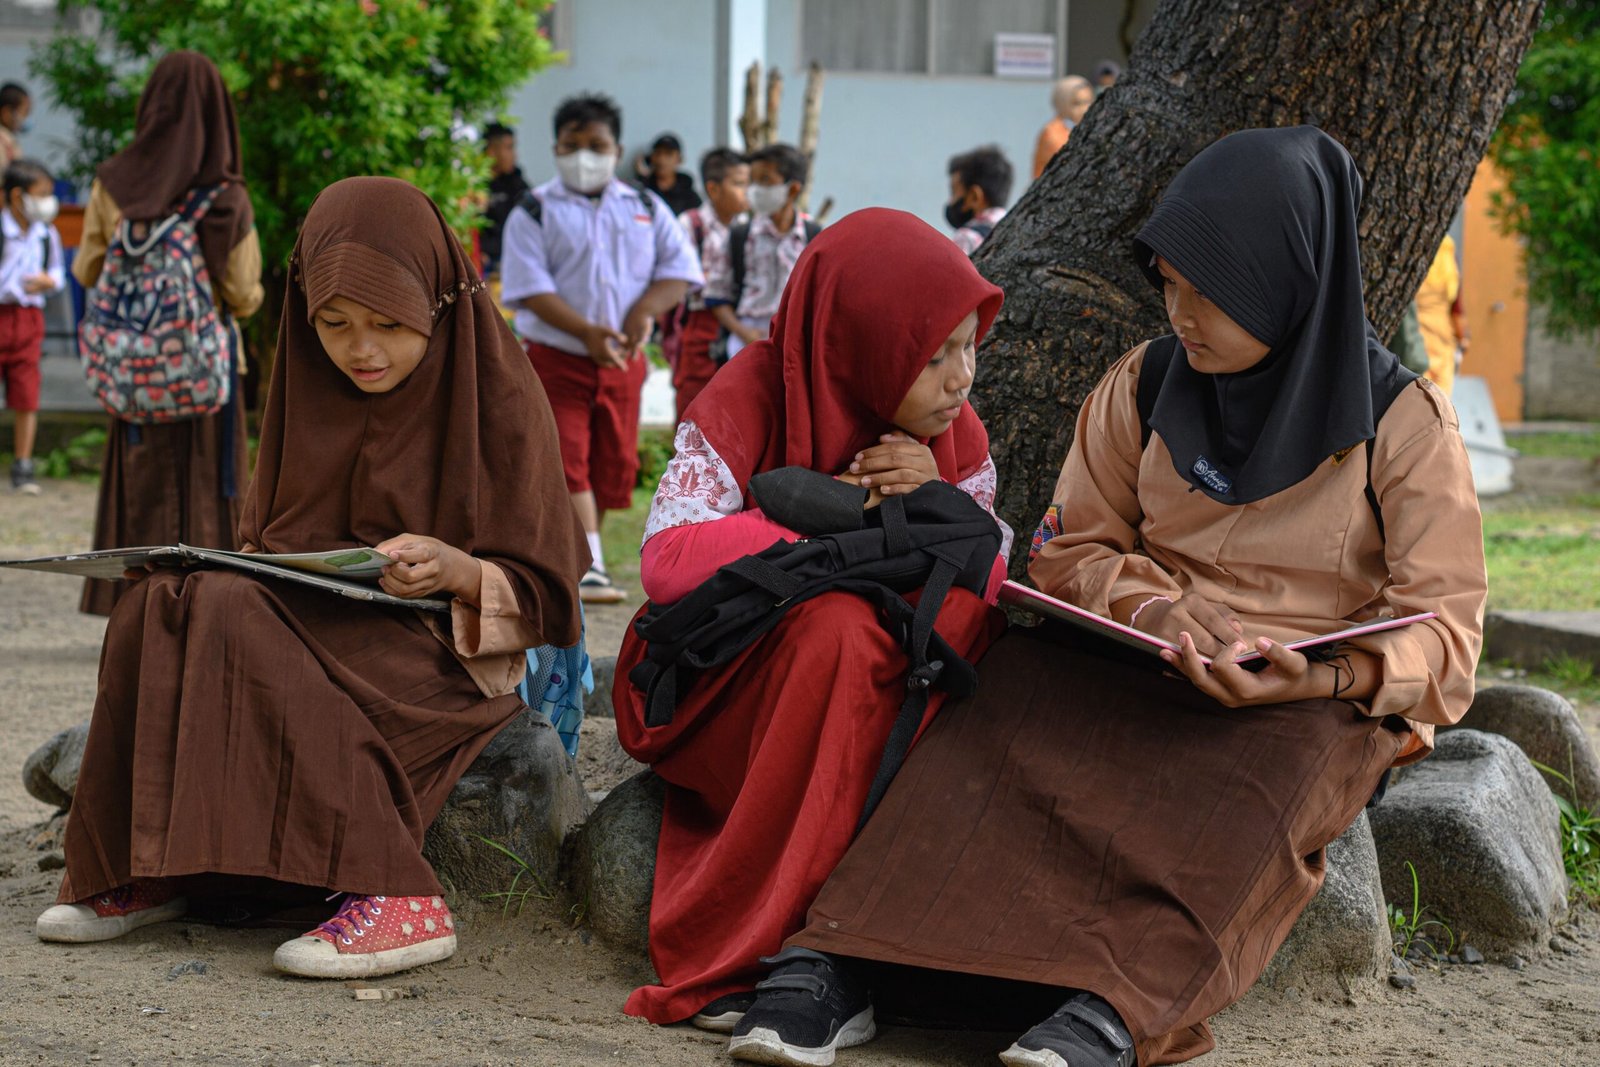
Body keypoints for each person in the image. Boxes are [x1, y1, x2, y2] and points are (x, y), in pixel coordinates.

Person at [785, 127, 1487, 1067]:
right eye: (1169, 284)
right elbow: (1068, 546)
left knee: (1258, 787)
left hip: (1300, 701)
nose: (1180, 314)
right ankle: (841, 960)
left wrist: (1318, 675)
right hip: (1135, 654)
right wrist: (1153, 606)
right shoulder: (1147, 383)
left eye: (1210, 294)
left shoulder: (1402, 422)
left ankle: (1109, 1011)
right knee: (1000, 696)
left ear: (1287, 282)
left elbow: (1447, 634)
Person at [35, 176, 590, 981]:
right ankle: (154, 867)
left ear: (438, 302)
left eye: (389, 325)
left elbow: (552, 595)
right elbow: (264, 544)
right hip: (309, 625)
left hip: (438, 657)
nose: (362, 350)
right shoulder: (307, 389)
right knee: (159, 601)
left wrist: (460, 567)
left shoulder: (496, 392)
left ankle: (401, 893)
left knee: (232, 611)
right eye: (334, 323)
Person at [613, 208, 1015, 1064]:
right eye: (933, 355)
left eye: (969, 346)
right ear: (861, 342)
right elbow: (667, 561)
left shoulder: (951, 435)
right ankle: (780, 943)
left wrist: (932, 498)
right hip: (737, 687)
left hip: (882, 701)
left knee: (950, 626)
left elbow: (986, 572)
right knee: (837, 630)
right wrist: (839, 516)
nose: (961, 378)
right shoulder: (753, 392)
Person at [73, 51, 265, 617]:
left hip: (135, 371)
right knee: (209, 494)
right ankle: (206, 612)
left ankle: (134, 612)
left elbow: (87, 270)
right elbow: (243, 292)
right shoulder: (225, 196)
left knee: (140, 488)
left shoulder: (114, 186)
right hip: (205, 377)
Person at [500, 93, 702, 605]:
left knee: (614, 465)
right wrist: (586, 332)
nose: (584, 156)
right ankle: (588, 566)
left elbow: (679, 271)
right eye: (572, 145)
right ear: (555, 148)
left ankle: (580, 552)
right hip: (557, 359)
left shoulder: (644, 206)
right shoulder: (534, 210)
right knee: (567, 457)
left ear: (617, 149)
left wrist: (642, 312)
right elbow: (529, 287)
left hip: (622, 361)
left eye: (596, 145)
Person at [708, 142, 817, 360]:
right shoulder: (740, 236)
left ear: (793, 189)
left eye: (765, 180)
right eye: (753, 181)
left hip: (797, 344)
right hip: (746, 341)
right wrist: (743, 332)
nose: (755, 189)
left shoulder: (813, 237)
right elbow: (716, 295)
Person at [669, 147, 749, 423]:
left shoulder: (749, 227)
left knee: (737, 406)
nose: (747, 192)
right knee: (695, 404)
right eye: (739, 184)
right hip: (701, 324)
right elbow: (681, 279)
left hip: (741, 323)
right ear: (713, 189)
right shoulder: (690, 224)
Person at [0, 159, 64, 494]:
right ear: (17, 196)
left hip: (28, 320)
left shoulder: (46, 234)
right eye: (41, 194)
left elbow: (58, 273)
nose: (47, 202)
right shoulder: (3, 231)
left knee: (26, 394)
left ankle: (23, 466)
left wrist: (47, 281)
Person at [1414, 234, 1468, 395]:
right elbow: (1457, 308)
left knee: (1414, 396)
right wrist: (1463, 338)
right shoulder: (1448, 253)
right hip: (1442, 340)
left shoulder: (1411, 252)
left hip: (1415, 338)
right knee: (1440, 401)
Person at [480, 121, 529, 278]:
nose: (514, 155)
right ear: (491, 151)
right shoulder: (472, 186)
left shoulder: (518, 185)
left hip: (511, 262)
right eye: (509, 148)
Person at [946, 145, 1013, 255]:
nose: (950, 201)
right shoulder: (1016, 228)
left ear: (974, 197)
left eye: (954, 192)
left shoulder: (966, 238)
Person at [1031, 75, 1093, 179]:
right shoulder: (1052, 133)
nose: (1084, 109)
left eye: (1087, 102)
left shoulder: (1089, 128)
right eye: (1076, 103)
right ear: (1062, 103)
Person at [640, 133, 703, 217]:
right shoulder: (643, 190)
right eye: (658, 153)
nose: (662, 159)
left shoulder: (689, 196)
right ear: (651, 158)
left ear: (680, 159)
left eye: (668, 154)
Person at [0, 82, 31, 171]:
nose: (26, 118)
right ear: (6, 113)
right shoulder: (4, 143)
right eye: (25, 112)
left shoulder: (8, 141)